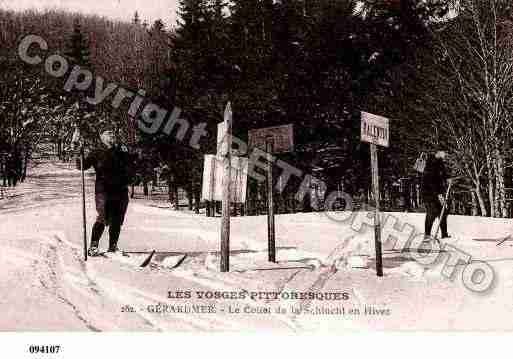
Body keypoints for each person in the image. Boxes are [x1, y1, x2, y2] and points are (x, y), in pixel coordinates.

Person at [75, 130, 136, 256]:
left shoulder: (122, 152)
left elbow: (131, 166)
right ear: (102, 138)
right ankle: (93, 246)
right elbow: (82, 166)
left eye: (113, 135)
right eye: (108, 135)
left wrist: (133, 176)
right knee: (103, 217)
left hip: (121, 190)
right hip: (103, 190)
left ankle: (113, 246)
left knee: (117, 220)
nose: (112, 137)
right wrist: (78, 153)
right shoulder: (97, 153)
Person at [421, 150, 450, 240]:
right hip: (429, 193)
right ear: (438, 153)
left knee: (443, 212)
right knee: (431, 212)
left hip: (438, 192)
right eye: (444, 152)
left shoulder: (440, 162)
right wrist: (437, 193)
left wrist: (448, 178)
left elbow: (443, 174)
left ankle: (444, 234)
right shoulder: (430, 162)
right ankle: (427, 235)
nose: (446, 155)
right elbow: (431, 180)